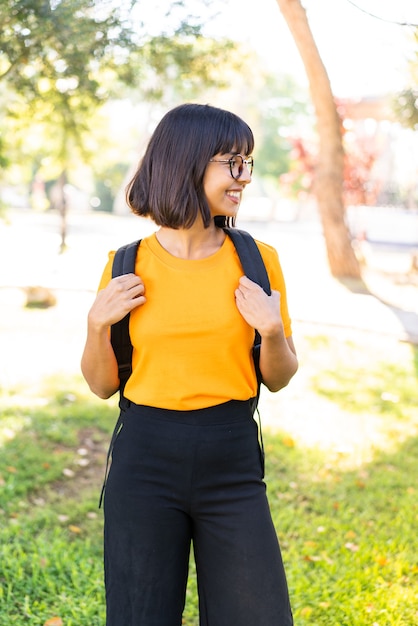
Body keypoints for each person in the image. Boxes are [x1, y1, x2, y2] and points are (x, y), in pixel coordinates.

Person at [81, 102, 298, 626]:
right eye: (233, 162)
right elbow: (101, 385)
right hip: (144, 459)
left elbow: (280, 375)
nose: (244, 177)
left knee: (258, 615)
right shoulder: (125, 263)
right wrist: (96, 325)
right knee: (140, 615)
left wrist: (270, 331)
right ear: (188, 162)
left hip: (231, 458)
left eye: (247, 162)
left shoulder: (257, 260)